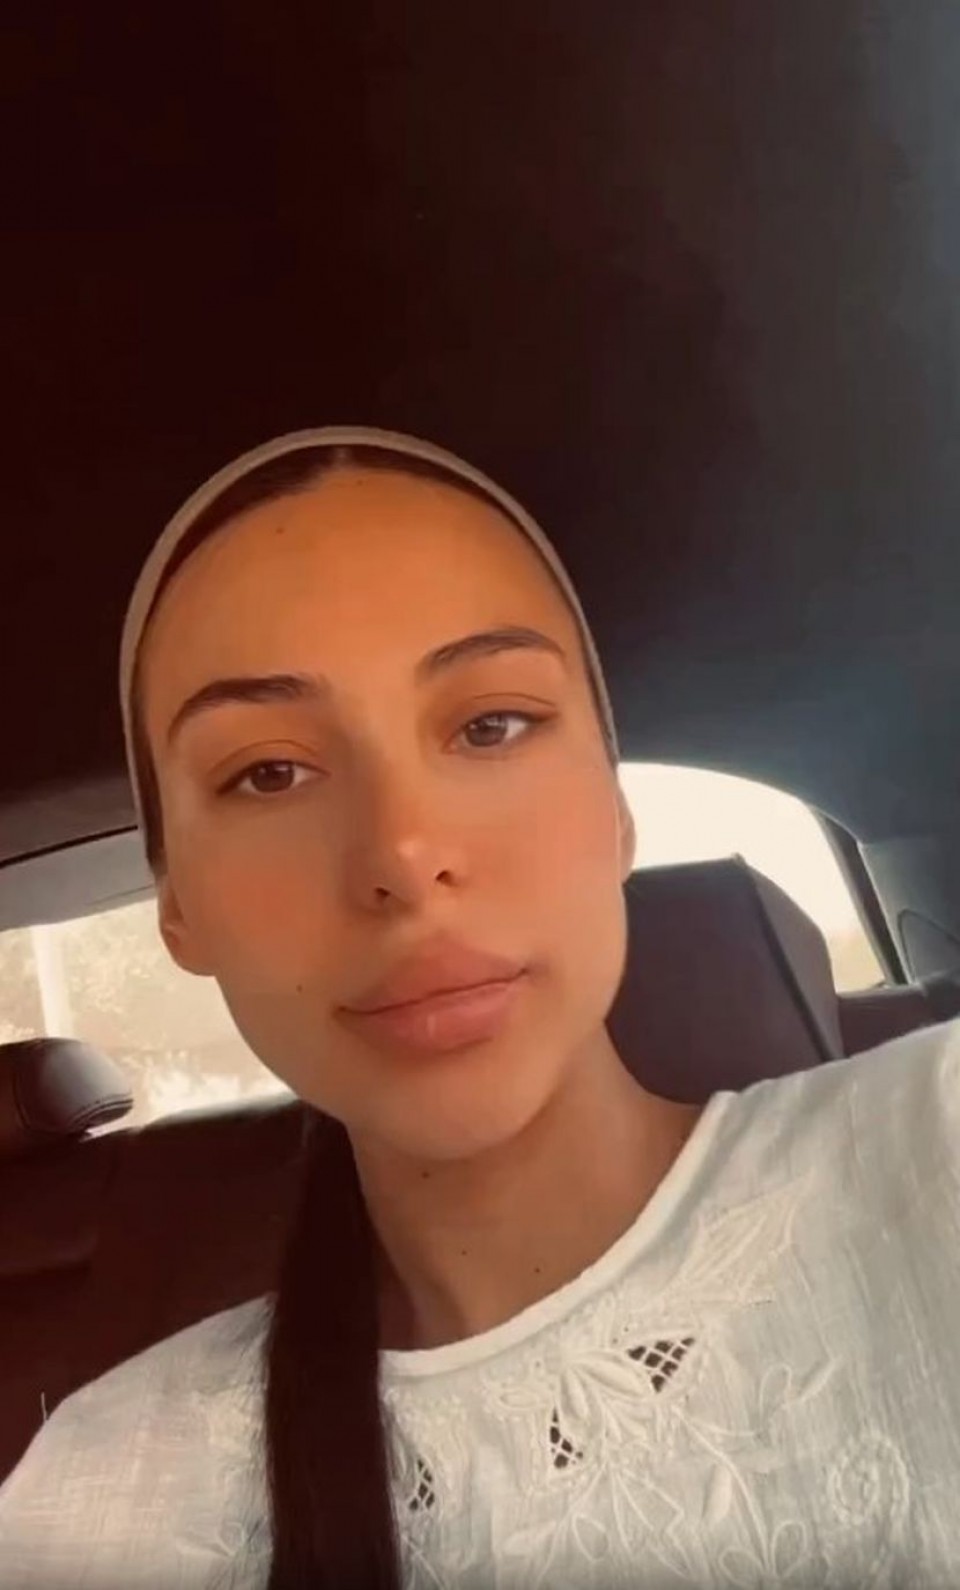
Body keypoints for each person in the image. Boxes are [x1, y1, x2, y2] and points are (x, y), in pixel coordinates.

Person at [1, 426, 959, 1590]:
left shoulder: (935, 1146)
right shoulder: (104, 1498)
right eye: (268, 772)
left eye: (491, 724)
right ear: (179, 908)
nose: (404, 856)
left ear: (616, 812)